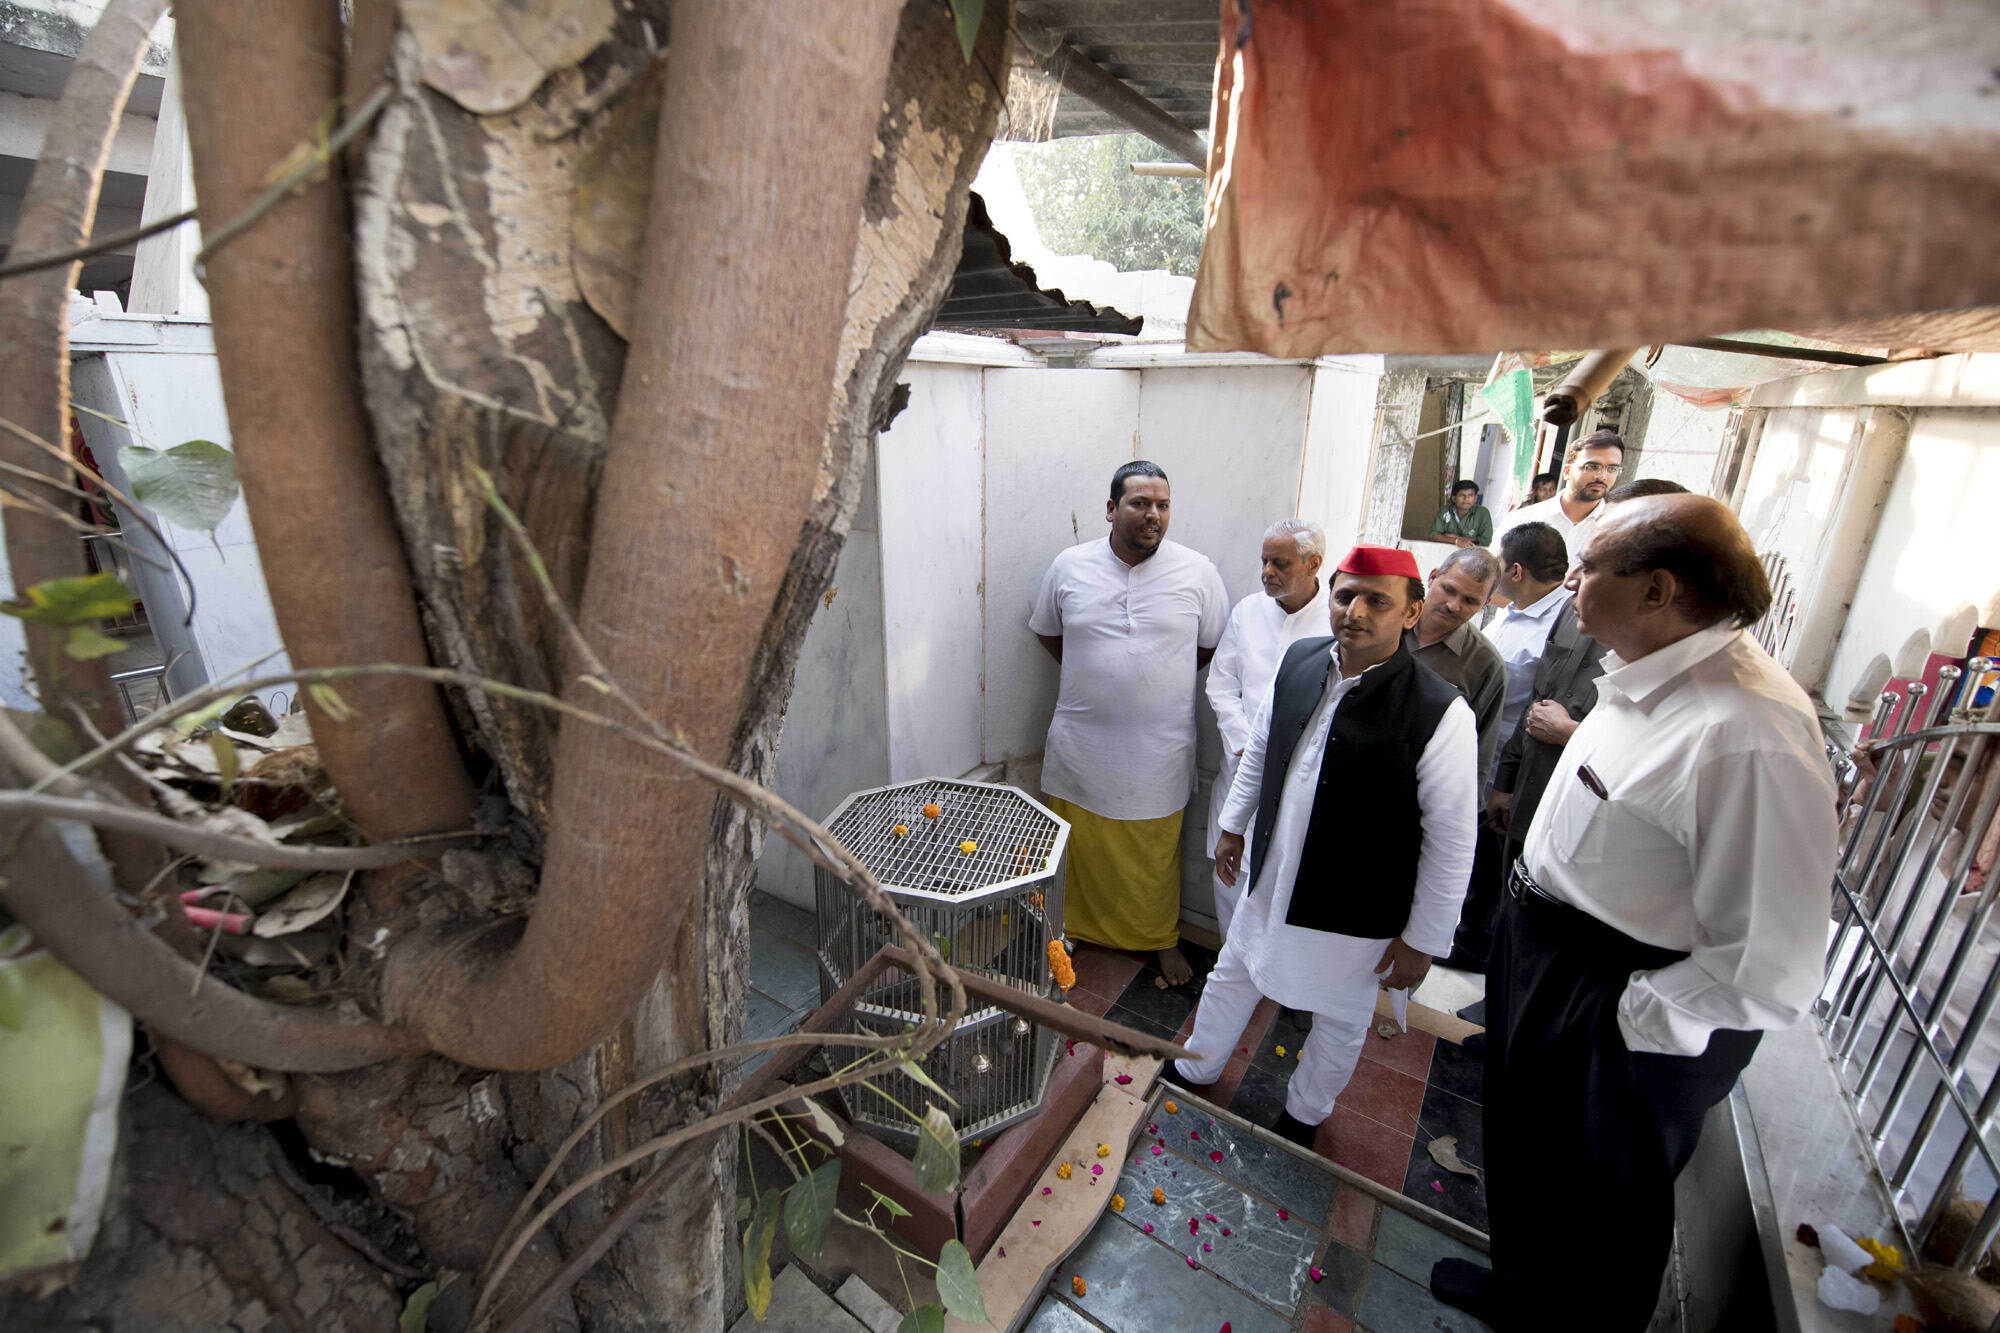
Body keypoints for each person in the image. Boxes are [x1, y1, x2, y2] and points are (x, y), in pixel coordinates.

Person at [1432, 494, 1838, 1332]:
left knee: (1597, 1206)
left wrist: (1624, 1021)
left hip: (1617, 995)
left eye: (1589, 566)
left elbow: (1770, 963)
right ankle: (1519, 1296)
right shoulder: (1646, 673)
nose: (1570, 580)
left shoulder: (1749, 731)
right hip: (1549, 953)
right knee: (1528, 1156)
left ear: (1658, 589)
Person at [1167, 545, 1477, 1147]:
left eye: (1377, 601)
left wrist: (1423, 940)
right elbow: (1261, 748)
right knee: (1234, 968)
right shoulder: (1302, 659)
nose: (1355, 612)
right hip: (1274, 871)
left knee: (1340, 1013)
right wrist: (1233, 825)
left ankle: (1306, 1112)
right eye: (1345, 596)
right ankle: (1196, 1066)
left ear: (1411, 613)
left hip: (1357, 899)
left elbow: (1451, 840)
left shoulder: (1440, 711)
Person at [1031, 460, 1228, 986]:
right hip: (1083, 740)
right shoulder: (1069, 566)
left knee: (1154, 852)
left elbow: (1211, 645)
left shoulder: (1198, 572)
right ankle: (1071, 926)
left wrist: (1151, 679)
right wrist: (1099, 674)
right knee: (1079, 842)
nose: (1153, 514)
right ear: (1111, 508)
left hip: (1159, 746)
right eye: (1140, 503)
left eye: (1162, 505)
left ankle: (1159, 937)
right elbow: (1048, 631)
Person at [1204, 519, 1330, 937]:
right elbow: (1221, 684)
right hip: (1240, 767)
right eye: (1264, 562)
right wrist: (1243, 742)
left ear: (1314, 564)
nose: (1266, 572)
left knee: (1283, 885)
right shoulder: (1248, 611)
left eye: (1280, 563)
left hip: (1300, 776)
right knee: (1229, 874)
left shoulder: (1335, 620)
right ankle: (1228, 960)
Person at [1410, 547, 1507, 781]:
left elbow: (1480, 751)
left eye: (1470, 600)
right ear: (1432, 577)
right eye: (1449, 590)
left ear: (1486, 603)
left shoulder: (1486, 665)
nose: (1454, 605)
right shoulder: (1388, 625)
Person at [1492, 430, 1625, 558]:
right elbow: (1493, 569)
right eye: (1591, 467)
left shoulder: (1618, 532)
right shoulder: (1523, 519)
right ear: (1567, 471)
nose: (1602, 476)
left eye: (1612, 469)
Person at [1428, 480, 1493, 548]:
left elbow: (1485, 541)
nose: (1466, 499)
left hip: (1472, 552)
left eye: (1470, 495)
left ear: (1475, 498)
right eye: (1462, 495)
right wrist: (1456, 541)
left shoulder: (1482, 513)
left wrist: (1457, 538)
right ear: (1454, 498)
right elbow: (1433, 536)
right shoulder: (1444, 511)